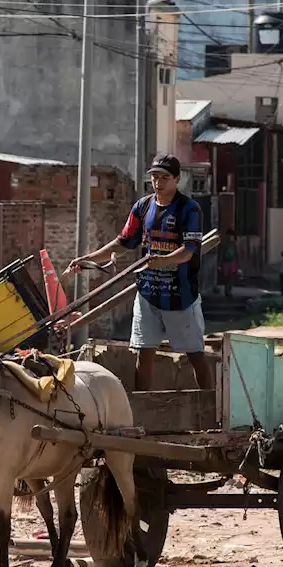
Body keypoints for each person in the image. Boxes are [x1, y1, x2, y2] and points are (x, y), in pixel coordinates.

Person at [68, 154, 213, 391]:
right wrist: (87, 259)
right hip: (147, 295)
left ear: (177, 179)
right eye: (155, 177)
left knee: (196, 356)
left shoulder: (189, 209)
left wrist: (163, 260)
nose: (158, 182)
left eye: (164, 177)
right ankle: (143, 412)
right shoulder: (142, 207)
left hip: (180, 297)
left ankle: (209, 409)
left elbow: (189, 251)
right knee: (143, 355)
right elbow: (122, 242)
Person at [218, 229, 238, 297]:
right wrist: (220, 263)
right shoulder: (224, 244)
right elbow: (221, 254)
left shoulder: (234, 244)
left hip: (232, 262)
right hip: (225, 262)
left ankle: (229, 290)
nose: (230, 238)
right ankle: (226, 290)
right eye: (229, 236)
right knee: (226, 277)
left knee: (231, 277)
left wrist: (237, 264)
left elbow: (236, 254)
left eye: (231, 236)